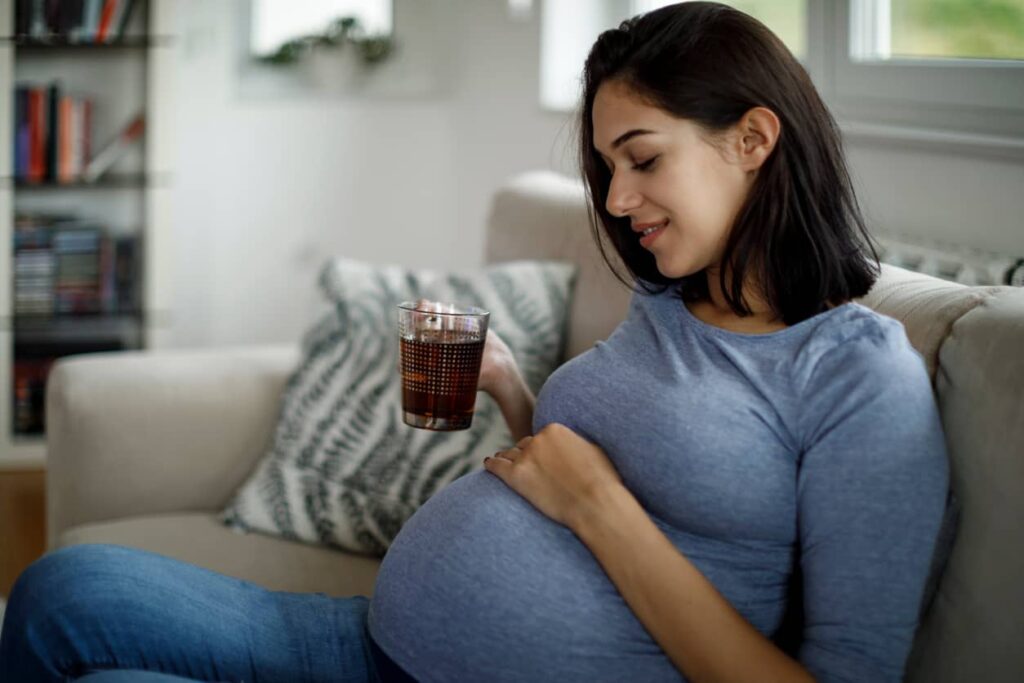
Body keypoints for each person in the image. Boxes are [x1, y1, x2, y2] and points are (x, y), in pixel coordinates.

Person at [0, 3, 949, 682]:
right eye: (608, 168)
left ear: (753, 138)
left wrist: (598, 509)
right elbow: (625, 464)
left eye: (643, 159)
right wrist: (511, 392)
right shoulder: (669, 299)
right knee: (62, 587)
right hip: (372, 635)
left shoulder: (859, 377)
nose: (617, 202)